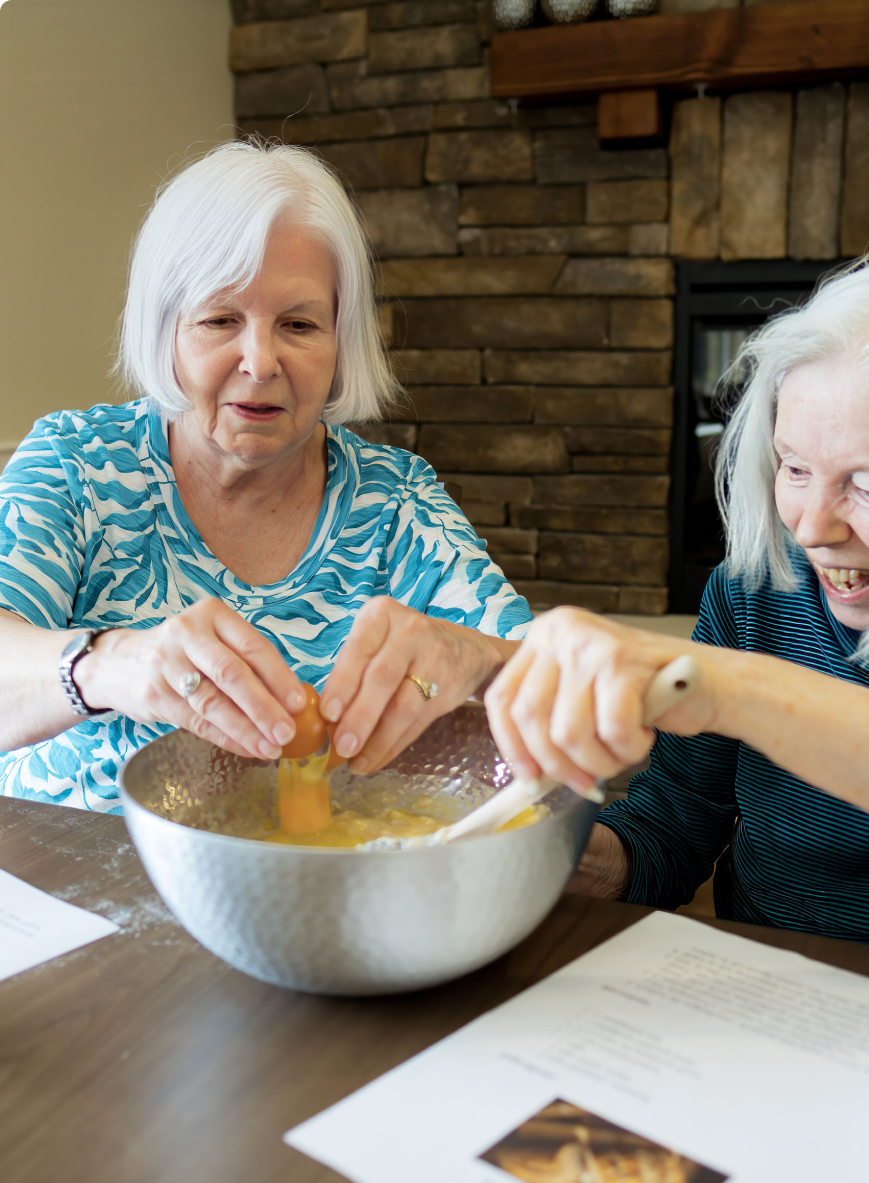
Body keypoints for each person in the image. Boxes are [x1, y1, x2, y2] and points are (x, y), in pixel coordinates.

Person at [0, 140, 529, 812]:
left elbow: (553, 679)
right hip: (70, 892)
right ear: (165, 330)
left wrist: (480, 661)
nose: (260, 361)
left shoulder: (394, 501)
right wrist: (109, 664)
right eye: (221, 319)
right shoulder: (76, 464)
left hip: (314, 885)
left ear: (341, 345)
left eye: (299, 324)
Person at [486, 240, 869, 960]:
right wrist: (563, 856)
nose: (810, 529)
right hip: (763, 986)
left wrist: (722, 688)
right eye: (795, 468)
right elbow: (678, 818)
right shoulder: (754, 593)